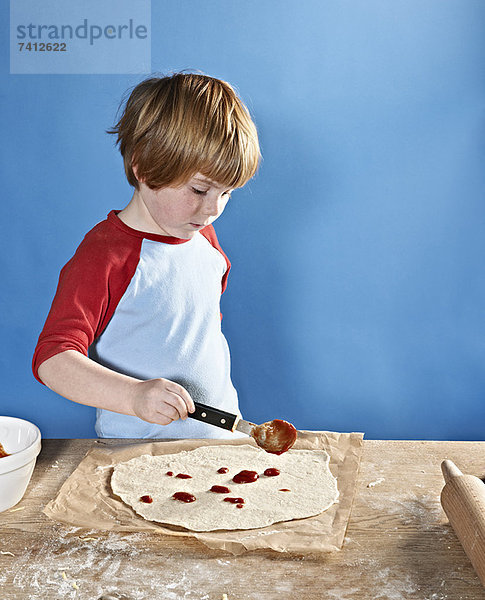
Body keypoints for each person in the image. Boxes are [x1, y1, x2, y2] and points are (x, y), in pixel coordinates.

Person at [32, 72, 260, 439]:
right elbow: (53, 359)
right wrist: (134, 396)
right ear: (143, 166)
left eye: (227, 193)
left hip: (224, 445)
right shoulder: (105, 255)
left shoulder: (205, 240)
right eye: (199, 189)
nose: (213, 210)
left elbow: (199, 333)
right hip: (137, 454)